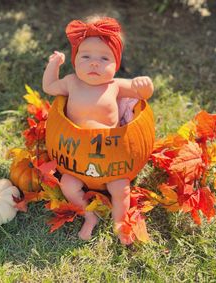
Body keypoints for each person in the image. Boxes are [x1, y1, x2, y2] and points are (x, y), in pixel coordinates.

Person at [42, 16, 154, 244]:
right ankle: (88, 214)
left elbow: (140, 93)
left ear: (116, 63)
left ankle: (120, 222)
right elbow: (49, 87)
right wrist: (53, 65)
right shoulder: (71, 82)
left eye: (104, 58)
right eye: (86, 56)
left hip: (112, 163)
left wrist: (146, 86)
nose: (94, 63)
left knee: (121, 189)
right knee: (68, 185)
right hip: (74, 162)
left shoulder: (115, 86)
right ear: (75, 60)